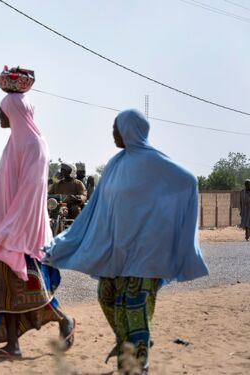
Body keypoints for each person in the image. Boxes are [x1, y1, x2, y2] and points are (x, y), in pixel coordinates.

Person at [43, 109, 209, 374]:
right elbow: (95, 209)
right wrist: (63, 241)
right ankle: (130, 348)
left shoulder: (157, 163)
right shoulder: (115, 165)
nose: (113, 133)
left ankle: (137, 365)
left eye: (116, 128)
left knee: (135, 307)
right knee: (106, 295)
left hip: (146, 255)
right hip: (118, 254)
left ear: (130, 130)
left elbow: (187, 181)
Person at [0, 92, 75, 359]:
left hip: (22, 231)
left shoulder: (35, 144)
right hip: (8, 229)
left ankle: (63, 320)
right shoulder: (14, 142)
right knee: (4, 288)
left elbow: (31, 191)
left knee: (29, 287)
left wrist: (11, 227)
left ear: (14, 112)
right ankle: (13, 346)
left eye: (2, 111)